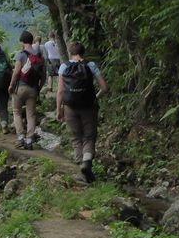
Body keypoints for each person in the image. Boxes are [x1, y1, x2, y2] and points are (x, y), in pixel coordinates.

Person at [56, 41, 109, 183]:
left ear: (70, 52)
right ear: (83, 52)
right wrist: (94, 98)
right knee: (89, 136)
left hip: (69, 107)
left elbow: (60, 91)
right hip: (88, 107)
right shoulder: (90, 66)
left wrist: (58, 109)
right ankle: (87, 162)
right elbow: (104, 87)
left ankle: (82, 169)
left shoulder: (63, 67)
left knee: (76, 137)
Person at [8, 31, 45, 150]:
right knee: (31, 115)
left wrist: (11, 85)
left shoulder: (20, 54)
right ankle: (29, 139)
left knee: (17, 111)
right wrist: (39, 87)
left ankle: (20, 138)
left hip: (20, 87)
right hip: (33, 88)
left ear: (22, 42)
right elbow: (44, 75)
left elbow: (16, 71)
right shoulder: (39, 56)